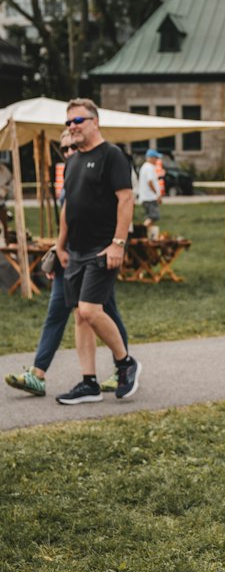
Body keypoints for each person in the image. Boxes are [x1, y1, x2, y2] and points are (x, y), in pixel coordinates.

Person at [5, 132, 129, 398]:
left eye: (73, 146)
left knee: (100, 312)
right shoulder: (72, 173)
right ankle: (39, 374)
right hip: (71, 257)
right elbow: (67, 216)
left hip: (94, 255)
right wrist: (59, 248)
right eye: (64, 149)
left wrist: (116, 244)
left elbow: (121, 204)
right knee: (62, 312)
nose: (69, 152)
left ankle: (123, 367)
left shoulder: (104, 163)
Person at [52, 99, 140, 405]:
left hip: (102, 248)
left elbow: (126, 199)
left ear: (95, 122)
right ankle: (88, 383)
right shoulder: (73, 160)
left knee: (90, 310)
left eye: (78, 120)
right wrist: (59, 245)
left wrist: (118, 243)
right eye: (68, 123)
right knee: (81, 317)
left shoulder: (112, 156)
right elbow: (68, 207)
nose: (72, 127)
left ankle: (125, 362)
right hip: (74, 250)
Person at [137, 149, 162, 237]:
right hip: (149, 197)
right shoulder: (149, 167)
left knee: (151, 217)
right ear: (150, 158)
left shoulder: (145, 167)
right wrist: (157, 195)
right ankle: (141, 232)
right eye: (156, 158)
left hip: (146, 197)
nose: (157, 160)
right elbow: (150, 182)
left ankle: (149, 235)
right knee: (153, 216)